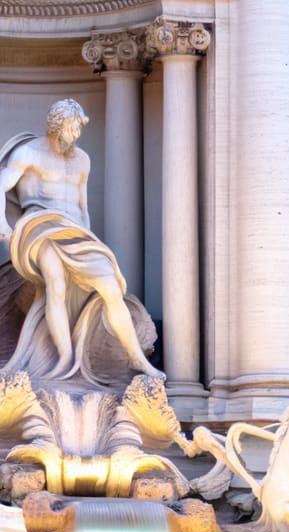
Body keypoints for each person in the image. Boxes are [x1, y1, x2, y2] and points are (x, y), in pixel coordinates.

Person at [0, 99, 163, 383]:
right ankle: (64, 358)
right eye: (72, 129)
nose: (76, 135)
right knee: (56, 283)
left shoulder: (82, 159)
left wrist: (91, 243)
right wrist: (3, 225)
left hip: (76, 233)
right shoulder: (29, 153)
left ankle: (136, 357)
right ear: (56, 127)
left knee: (110, 287)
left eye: (78, 129)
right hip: (38, 226)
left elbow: (82, 206)